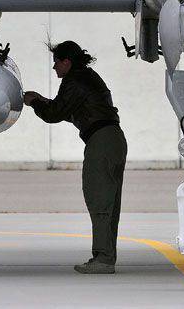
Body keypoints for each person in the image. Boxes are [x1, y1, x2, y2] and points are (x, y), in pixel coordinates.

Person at [23, 41, 127, 275]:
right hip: (112, 139)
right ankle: (106, 256)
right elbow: (69, 110)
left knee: (98, 199)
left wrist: (34, 102)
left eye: (56, 63)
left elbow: (54, 114)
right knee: (109, 203)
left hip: (101, 141)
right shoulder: (87, 77)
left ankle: (102, 259)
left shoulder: (74, 81)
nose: (54, 68)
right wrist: (43, 100)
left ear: (66, 62)